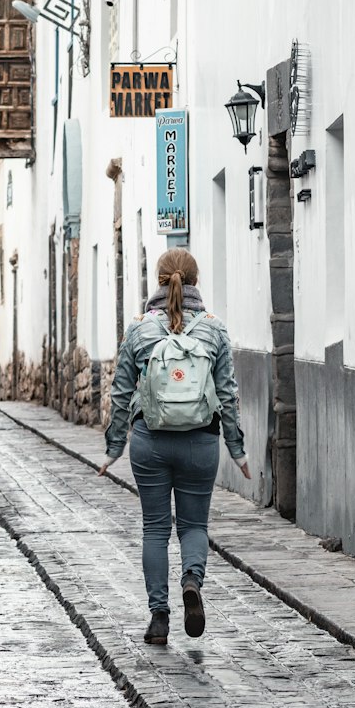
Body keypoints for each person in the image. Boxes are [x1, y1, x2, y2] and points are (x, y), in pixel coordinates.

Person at [99, 248, 251, 646]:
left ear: (159, 280)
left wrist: (114, 446)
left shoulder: (139, 330)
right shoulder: (214, 329)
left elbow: (120, 393)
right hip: (201, 442)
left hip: (150, 442)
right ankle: (191, 581)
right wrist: (237, 448)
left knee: (154, 528)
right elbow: (228, 393)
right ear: (195, 280)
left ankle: (159, 618)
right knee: (194, 526)